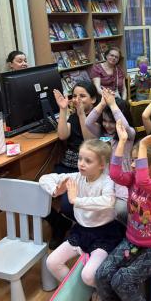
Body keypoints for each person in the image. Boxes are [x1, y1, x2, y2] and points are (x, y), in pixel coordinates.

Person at [40, 139, 125, 301]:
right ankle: (82, 290)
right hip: (81, 231)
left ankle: (100, 292)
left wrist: (76, 200)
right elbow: (44, 178)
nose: (81, 164)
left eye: (88, 161)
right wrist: (56, 189)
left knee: (88, 275)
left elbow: (108, 201)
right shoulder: (76, 177)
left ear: (102, 165)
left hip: (104, 234)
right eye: (80, 159)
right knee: (52, 262)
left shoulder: (107, 181)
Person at [96, 125, 151, 301]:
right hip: (132, 243)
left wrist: (144, 145)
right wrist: (122, 141)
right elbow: (114, 174)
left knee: (121, 280)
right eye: (132, 160)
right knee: (102, 273)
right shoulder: (133, 179)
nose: (132, 165)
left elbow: (144, 181)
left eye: (137, 161)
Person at [48, 81, 98, 249]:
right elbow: (62, 135)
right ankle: (59, 223)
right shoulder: (73, 116)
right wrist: (63, 109)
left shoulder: (98, 116)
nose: (77, 99)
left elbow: (89, 142)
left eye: (82, 96)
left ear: (93, 99)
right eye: (75, 96)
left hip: (84, 168)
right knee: (38, 193)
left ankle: (80, 228)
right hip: (66, 165)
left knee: (67, 205)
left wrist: (82, 113)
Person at [85, 88, 135, 224]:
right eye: (105, 121)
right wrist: (102, 103)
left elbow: (124, 126)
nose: (107, 125)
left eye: (112, 122)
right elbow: (88, 123)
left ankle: (126, 230)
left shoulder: (129, 135)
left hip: (122, 181)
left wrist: (113, 105)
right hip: (105, 180)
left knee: (120, 210)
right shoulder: (102, 133)